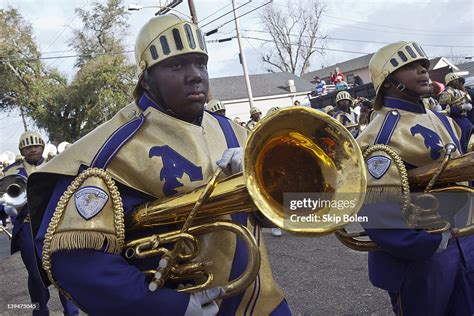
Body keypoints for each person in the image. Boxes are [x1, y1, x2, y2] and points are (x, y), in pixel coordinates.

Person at [28, 14, 291, 315]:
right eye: (177, 65)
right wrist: (165, 306)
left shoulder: (236, 132)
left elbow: (282, 212)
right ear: (146, 77)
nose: (195, 75)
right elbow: (76, 259)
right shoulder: (108, 151)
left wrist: (265, 184)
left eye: (200, 63)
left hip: (265, 303)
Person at [357, 41, 474, 315]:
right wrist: (428, 243)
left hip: (464, 246)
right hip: (422, 259)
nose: (423, 70)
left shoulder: (442, 119)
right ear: (387, 81)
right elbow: (377, 211)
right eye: (410, 66)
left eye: (424, 65)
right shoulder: (378, 135)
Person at [0, 131, 78, 316]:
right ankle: (40, 311)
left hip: (56, 225)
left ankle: (71, 313)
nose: (32, 150)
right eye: (28, 147)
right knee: (36, 276)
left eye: (35, 146)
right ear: (22, 150)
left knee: (62, 271)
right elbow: (3, 198)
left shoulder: (57, 163)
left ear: (42, 147)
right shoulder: (11, 171)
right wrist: (6, 207)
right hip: (27, 226)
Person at [438, 72, 473, 153]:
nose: (457, 81)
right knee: (463, 141)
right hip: (456, 120)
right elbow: (444, 111)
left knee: (470, 137)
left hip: (465, 118)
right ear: (449, 81)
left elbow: (469, 99)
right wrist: (461, 107)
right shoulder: (445, 93)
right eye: (455, 80)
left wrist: (468, 106)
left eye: (457, 80)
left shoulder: (459, 91)